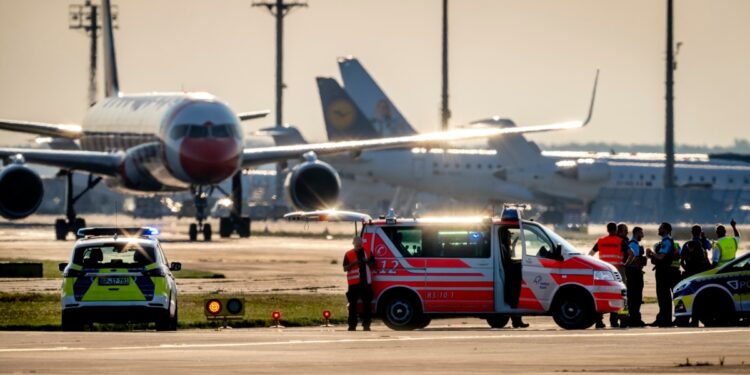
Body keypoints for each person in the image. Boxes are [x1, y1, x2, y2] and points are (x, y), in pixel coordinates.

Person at [589, 222, 629, 328]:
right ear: (616, 230)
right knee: (620, 296)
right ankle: (619, 321)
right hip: (617, 271)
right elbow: (632, 253)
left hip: (603, 271)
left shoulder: (601, 241)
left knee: (601, 295)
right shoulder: (620, 241)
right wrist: (625, 264)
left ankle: (599, 321)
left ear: (607, 230)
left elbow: (590, 255)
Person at [646, 222, 679, 327]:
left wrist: (651, 253)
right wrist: (651, 256)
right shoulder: (664, 242)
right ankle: (662, 318)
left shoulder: (666, 241)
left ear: (665, 229)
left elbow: (661, 257)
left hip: (664, 272)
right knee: (662, 296)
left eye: (660, 228)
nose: (658, 229)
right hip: (663, 271)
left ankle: (665, 320)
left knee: (664, 296)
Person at [343, 236, 377, 331]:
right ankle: (352, 325)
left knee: (367, 305)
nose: (359, 246)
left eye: (360, 245)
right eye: (357, 245)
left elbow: (374, 265)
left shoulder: (368, 252)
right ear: (353, 244)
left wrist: (367, 262)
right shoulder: (348, 254)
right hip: (354, 284)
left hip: (366, 283)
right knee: (352, 305)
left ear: (362, 244)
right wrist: (353, 263)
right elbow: (345, 268)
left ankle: (366, 325)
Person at [499, 227, 529, 328]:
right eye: (509, 237)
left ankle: (517, 320)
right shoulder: (502, 247)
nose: (510, 238)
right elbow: (507, 263)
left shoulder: (504, 246)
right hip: (508, 275)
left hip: (508, 273)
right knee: (516, 293)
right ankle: (516, 320)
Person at [624, 226, 646, 327]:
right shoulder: (633, 244)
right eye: (641, 233)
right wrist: (639, 268)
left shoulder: (632, 243)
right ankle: (634, 318)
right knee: (636, 296)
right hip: (634, 273)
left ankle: (634, 317)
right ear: (637, 233)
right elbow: (635, 259)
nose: (643, 235)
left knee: (634, 296)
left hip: (632, 272)